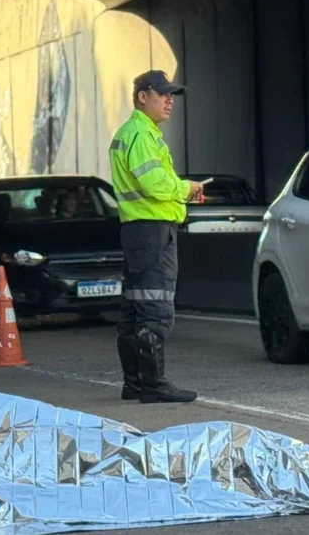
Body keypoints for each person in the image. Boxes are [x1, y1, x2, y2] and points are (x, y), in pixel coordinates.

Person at [108, 70, 204, 404]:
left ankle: (135, 383)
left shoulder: (134, 133)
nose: (169, 101)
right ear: (142, 96)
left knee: (135, 307)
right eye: (162, 94)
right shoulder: (140, 134)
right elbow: (155, 184)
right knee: (155, 307)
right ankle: (152, 384)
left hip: (139, 231)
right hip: (152, 232)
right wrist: (187, 188)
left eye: (171, 95)